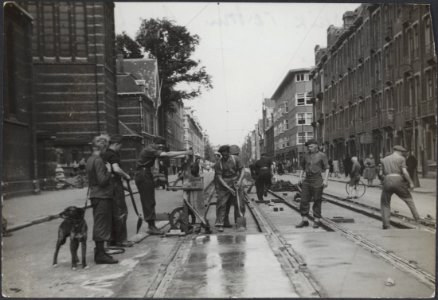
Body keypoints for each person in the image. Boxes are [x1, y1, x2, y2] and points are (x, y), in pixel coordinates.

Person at [135, 137, 192, 235]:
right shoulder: (150, 149)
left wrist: (183, 155)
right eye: (159, 146)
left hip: (146, 173)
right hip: (143, 175)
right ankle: (151, 227)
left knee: (151, 201)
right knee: (148, 201)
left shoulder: (152, 149)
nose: (161, 149)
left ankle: (152, 225)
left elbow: (167, 156)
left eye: (162, 147)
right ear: (155, 144)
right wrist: (186, 153)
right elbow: (167, 154)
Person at [86, 135, 118, 264]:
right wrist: (109, 171)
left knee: (100, 223)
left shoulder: (90, 159)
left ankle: (101, 252)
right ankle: (100, 255)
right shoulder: (98, 160)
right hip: (102, 196)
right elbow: (102, 181)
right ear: (103, 146)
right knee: (102, 225)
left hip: (95, 195)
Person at [102, 134, 133, 248]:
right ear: (116, 144)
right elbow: (116, 169)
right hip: (115, 186)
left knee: (113, 213)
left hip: (109, 186)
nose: (121, 148)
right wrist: (126, 176)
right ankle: (122, 240)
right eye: (120, 146)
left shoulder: (104, 154)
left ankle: (112, 240)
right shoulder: (113, 154)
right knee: (121, 212)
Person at [379, 145, 421, 229]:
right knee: (409, 200)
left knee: (385, 203)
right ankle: (417, 219)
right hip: (398, 180)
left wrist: (385, 179)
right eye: (402, 152)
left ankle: (386, 224)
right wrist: (411, 183)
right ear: (399, 151)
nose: (403, 153)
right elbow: (404, 172)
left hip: (387, 180)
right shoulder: (401, 159)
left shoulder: (384, 159)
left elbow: (380, 174)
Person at [296, 139, 329, 229]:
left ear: (316, 146)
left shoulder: (322, 155)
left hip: (317, 179)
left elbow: (327, 168)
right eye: (308, 147)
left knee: (317, 200)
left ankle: (317, 220)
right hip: (307, 180)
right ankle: (305, 220)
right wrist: (300, 178)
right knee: (303, 200)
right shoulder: (305, 156)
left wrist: (325, 180)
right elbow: (302, 168)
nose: (309, 148)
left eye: (310, 147)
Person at [214, 145, 245, 232]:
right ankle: (222, 223)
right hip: (224, 183)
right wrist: (228, 188)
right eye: (223, 155)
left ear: (229, 153)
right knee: (222, 204)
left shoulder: (236, 159)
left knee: (240, 204)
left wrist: (239, 181)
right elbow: (219, 177)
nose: (225, 157)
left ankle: (239, 223)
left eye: (226, 155)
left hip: (236, 181)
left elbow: (242, 170)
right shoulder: (218, 163)